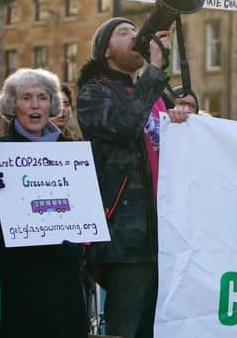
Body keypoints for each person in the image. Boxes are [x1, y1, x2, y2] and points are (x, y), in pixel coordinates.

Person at [76, 17, 188, 338]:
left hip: (163, 236)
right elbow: (125, 124)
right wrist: (155, 70)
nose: (135, 36)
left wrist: (182, 117)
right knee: (126, 328)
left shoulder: (154, 93)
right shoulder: (94, 93)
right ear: (106, 50)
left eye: (137, 32)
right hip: (125, 237)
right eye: (123, 33)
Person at [0, 68, 88, 338]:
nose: (35, 105)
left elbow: (89, 214)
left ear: (52, 105)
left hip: (63, 275)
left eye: (43, 97)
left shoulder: (74, 153)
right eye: (26, 98)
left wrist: (82, 244)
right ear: (13, 105)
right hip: (16, 277)